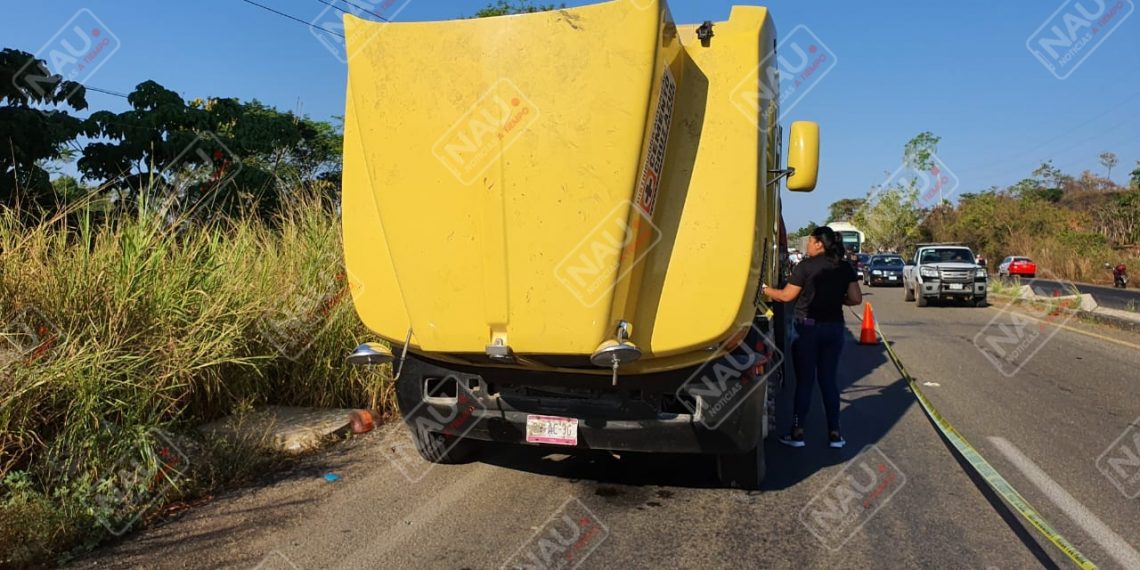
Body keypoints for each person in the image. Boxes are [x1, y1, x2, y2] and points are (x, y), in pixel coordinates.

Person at [760, 226, 863, 449]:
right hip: (834, 329)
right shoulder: (844, 267)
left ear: (819, 244)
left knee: (805, 381)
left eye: (810, 241)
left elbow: (787, 296)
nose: (807, 245)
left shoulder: (805, 267)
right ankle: (835, 434)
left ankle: (798, 433)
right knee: (828, 381)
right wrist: (836, 299)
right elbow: (855, 299)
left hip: (807, 328)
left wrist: (765, 289)